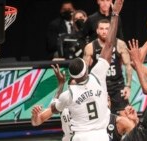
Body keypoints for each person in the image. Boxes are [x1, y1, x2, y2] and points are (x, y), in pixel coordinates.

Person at [50, 0, 124, 141]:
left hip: (80, 137)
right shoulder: (97, 76)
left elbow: (53, 108)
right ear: (86, 69)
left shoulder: (68, 94)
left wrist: (60, 86)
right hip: (101, 135)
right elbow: (109, 44)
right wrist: (115, 14)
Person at [83, 19, 132, 114]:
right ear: (97, 30)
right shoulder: (90, 47)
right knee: (101, 115)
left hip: (117, 85)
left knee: (125, 115)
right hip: (99, 86)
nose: (104, 31)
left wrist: (128, 86)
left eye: (107, 29)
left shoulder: (120, 44)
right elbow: (85, 70)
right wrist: (86, 88)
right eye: (101, 28)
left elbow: (128, 66)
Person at [31, 64, 72, 141]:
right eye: (71, 86)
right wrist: (35, 115)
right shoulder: (64, 100)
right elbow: (36, 122)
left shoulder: (87, 100)